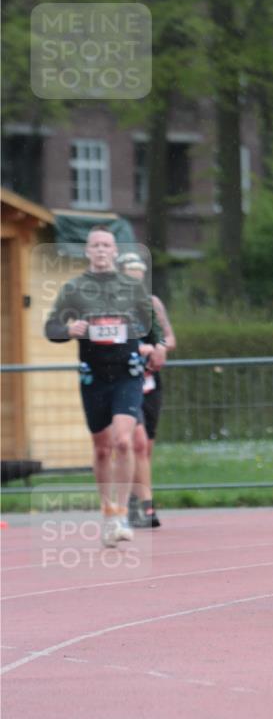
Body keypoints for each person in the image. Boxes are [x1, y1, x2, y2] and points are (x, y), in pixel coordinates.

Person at [45, 226, 166, 546]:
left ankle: (123, 513)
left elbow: (152, 327)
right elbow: (51, 327)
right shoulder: (74, 288)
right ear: (87, 251)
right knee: (102, 447)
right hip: (93, 376)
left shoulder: (131, 287)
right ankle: (108, 512)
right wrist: (71, 329)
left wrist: (158, 346)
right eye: (95, 245)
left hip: (127, 373)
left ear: (114, 251)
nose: (100, 250)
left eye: (106, 245)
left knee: (124, 441)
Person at [116, 252, 177, 528]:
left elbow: (168, 337)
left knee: (146, 447)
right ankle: (143, 506)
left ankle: (136, 499)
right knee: (133, 443)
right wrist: (137, 348)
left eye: (139, 278)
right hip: (122, 381)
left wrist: (159, 348)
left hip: (149, 381)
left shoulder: (151, 304)